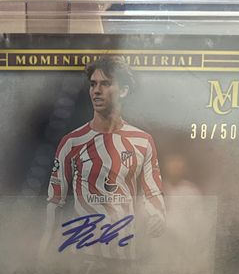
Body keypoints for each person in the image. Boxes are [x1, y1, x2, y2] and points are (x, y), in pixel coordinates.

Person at [41, 55, 165, 260]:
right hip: (83, 257)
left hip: (126, 256)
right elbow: (55, 201)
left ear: (123, 91)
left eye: (105, 84)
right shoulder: (72, 142)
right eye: (93, 84)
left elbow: (153, 192)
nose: (96, 90)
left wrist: (158, 215)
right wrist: (44, 252)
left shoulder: (142, 141)